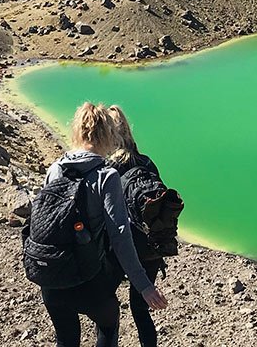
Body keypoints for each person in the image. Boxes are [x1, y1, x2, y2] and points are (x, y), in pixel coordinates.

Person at [29, 102, 167, 347]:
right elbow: (120, 235)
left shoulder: (55, 169)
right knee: (107, 325)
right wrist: (143, 285)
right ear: (108, 134)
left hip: (51, 278)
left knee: (66, 340)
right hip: (87, 280)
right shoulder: (106, 176)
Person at [106, 106, 170, 347]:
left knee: (107, 310)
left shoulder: (106, 168)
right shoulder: (146, 162)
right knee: (140, 309)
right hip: (151, 247)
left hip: (120, 248)